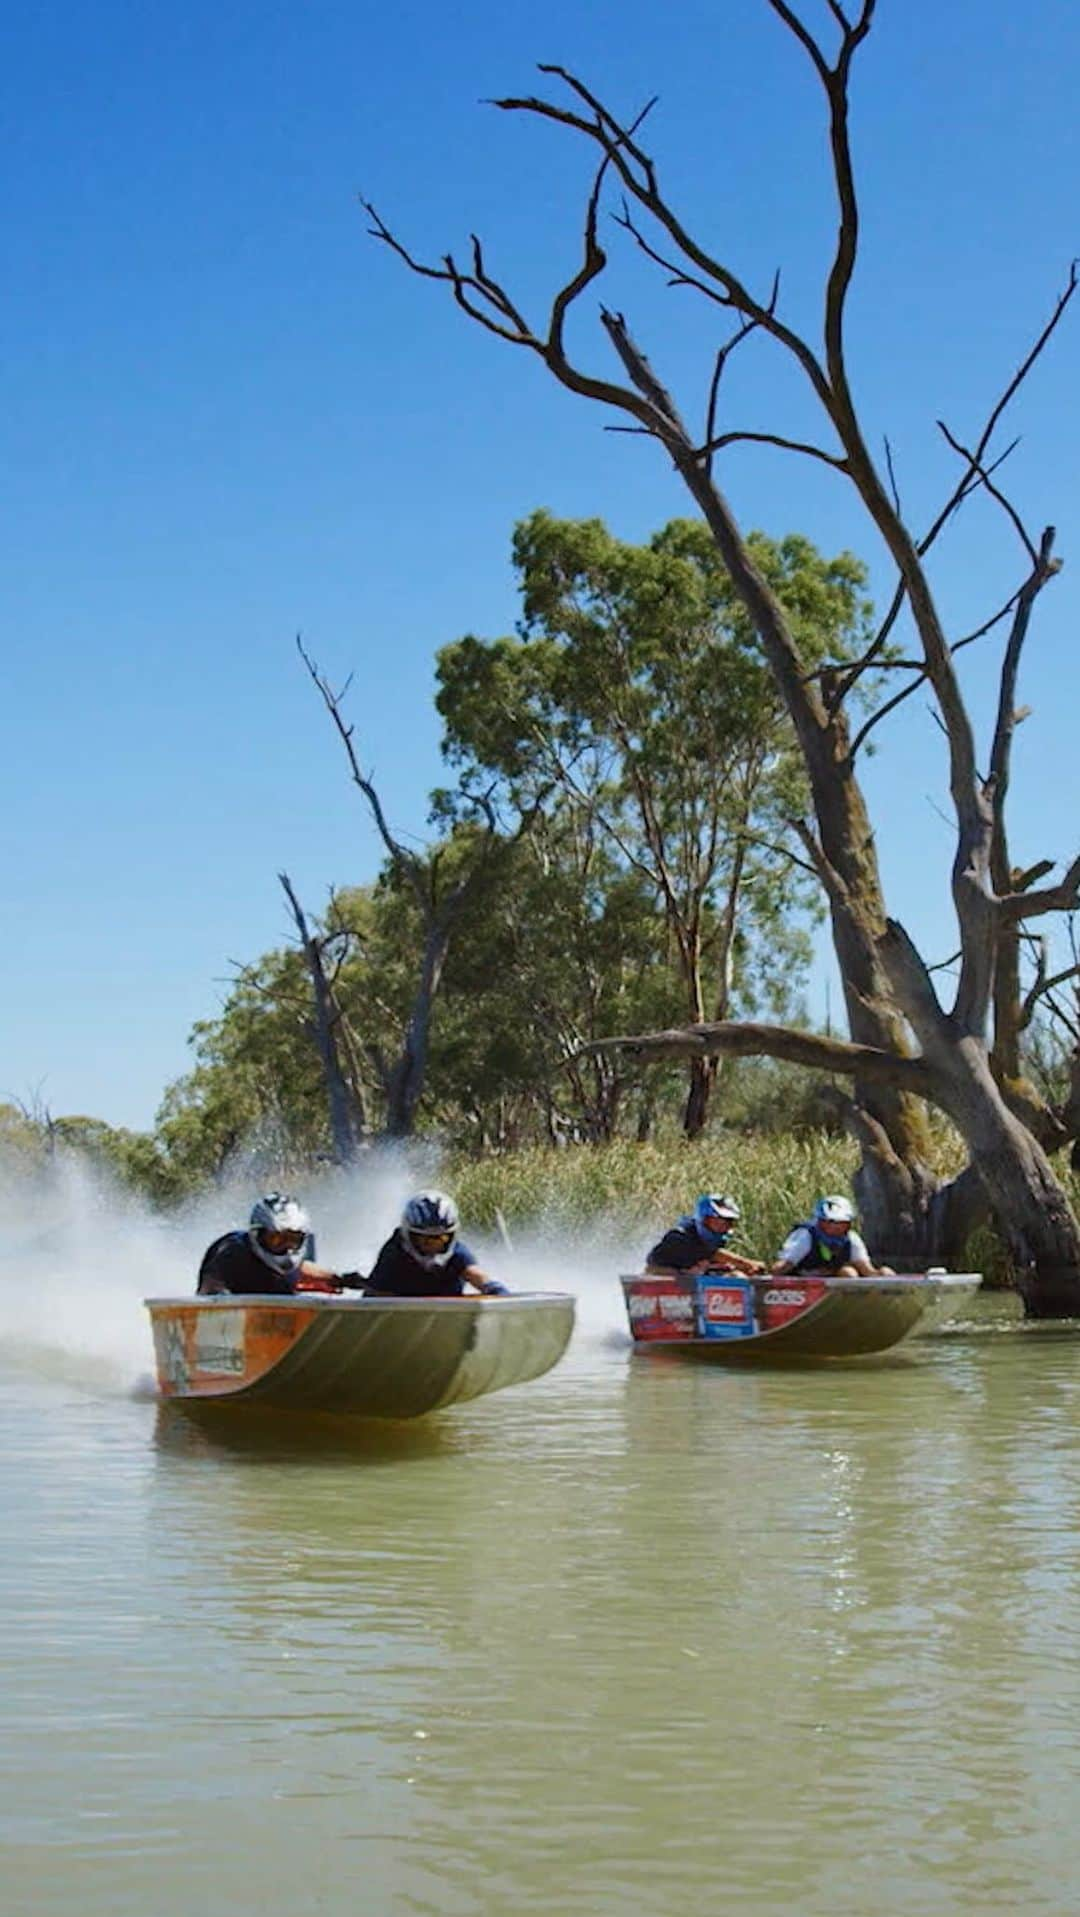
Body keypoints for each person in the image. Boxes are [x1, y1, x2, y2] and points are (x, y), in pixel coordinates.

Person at [197, 1192, 349, 1297]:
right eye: (277, 1239)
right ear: (258, 1235)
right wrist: (219, 1295)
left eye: (293, 1240)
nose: (286, 1248)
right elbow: (209, 1288)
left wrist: (342, 1279)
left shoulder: (290, 1263)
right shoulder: (232, 1251)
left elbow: (301, 1270)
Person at [364, 1190, 508, 1299]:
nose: (432, 1247)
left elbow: (478, 1276)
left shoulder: (458, 1254)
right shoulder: (394, 1254)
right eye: (426, 1240)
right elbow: (374, 1298)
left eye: (440, 1239)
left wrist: (498, 1293)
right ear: (410, 1236)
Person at [772, 1194, 893, 1277]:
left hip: (831, 1286)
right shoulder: (805, 1236)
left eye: (841, 1223)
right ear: (820, 1221)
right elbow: (783, 1266)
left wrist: (882, 1274)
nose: (836, 1227)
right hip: (801, 1285)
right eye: (830, 1222)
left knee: (849, 1273)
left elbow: (867, 1270)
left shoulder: (852, 1239)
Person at [645, 1194, 765, 1278]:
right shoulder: (680, 1236)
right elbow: (713, 1253)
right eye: (717, 1222)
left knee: (735, 1276)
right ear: (704, 1219)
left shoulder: (715, 1240)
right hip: (661, 1281)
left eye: (727, 1223)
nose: (723, 1227)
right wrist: (748, 1263)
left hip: (693, 1283)